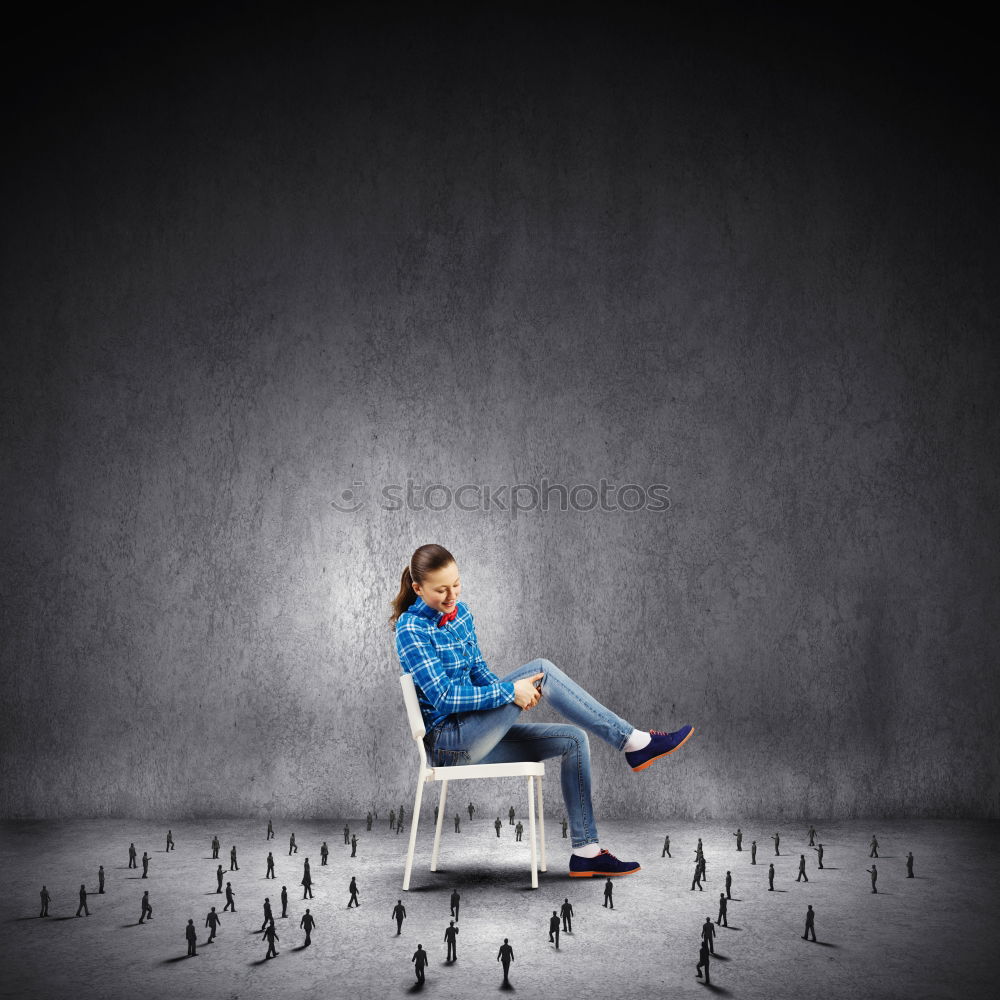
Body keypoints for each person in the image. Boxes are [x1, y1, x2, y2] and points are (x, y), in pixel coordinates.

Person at [392, 544, 696, 879]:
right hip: (450, 745)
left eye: (457, 584)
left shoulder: (461, 615)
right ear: (418, 589)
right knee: (541, 670)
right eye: (441, 590)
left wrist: (511, 701)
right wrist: (511, 692)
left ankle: (587, 853)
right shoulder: (410, 629)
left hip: (478, 733)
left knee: (573, 739)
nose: (452, 596)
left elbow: (480, 673)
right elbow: (445, 697)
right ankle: (634, 742)